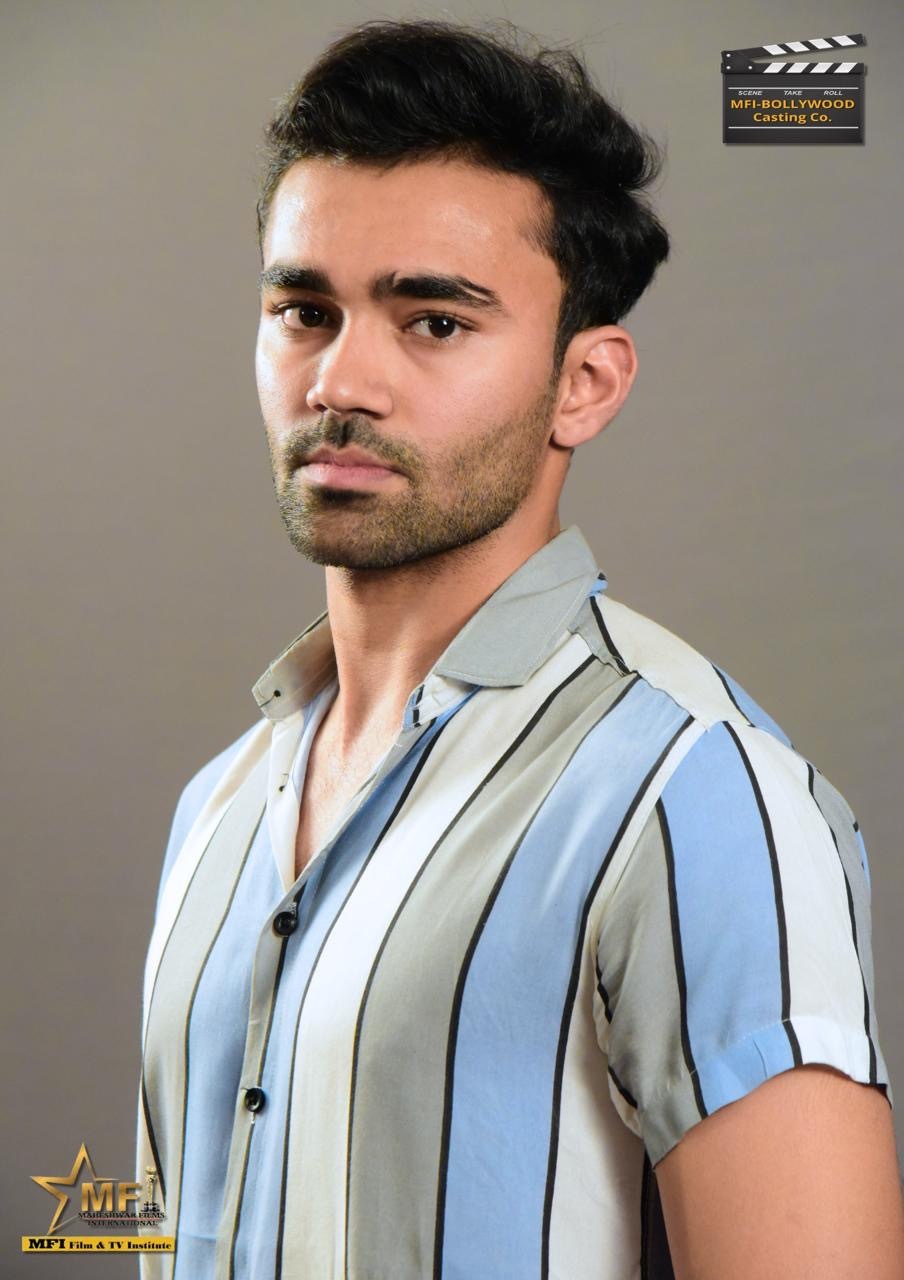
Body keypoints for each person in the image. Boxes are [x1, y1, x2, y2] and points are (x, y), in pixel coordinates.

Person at [137, 17, 904, 1280]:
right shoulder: (215, 807)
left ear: (584, 383)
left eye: (434, 321)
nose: (341, 380)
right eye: (303, 310)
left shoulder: (695, 794)